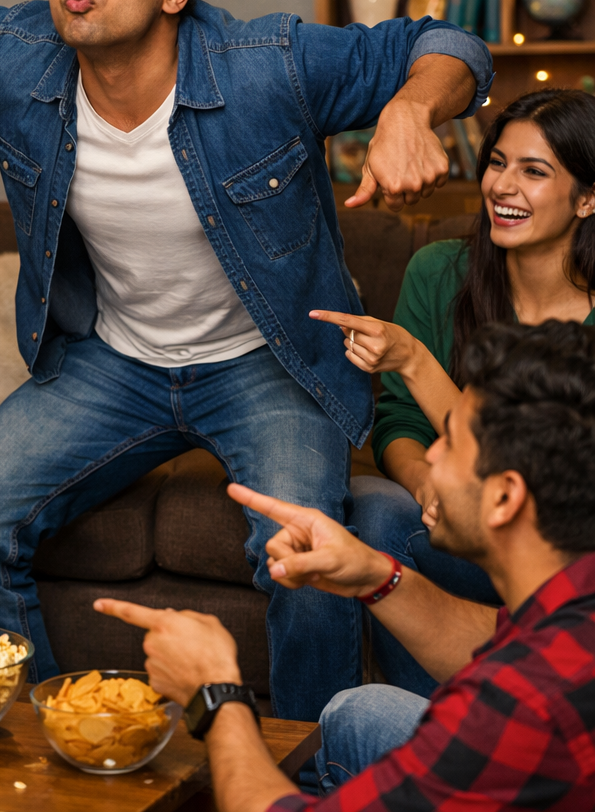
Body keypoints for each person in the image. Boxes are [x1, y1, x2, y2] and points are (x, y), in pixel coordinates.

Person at [0, 0, 493, 720]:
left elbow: (453, 48)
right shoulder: (21, 57)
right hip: (115, 361)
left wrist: (410, 110)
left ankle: (309, 769)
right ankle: (33, 747)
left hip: (266, 363)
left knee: (305, 552)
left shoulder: (266, 66)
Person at [97, 320, 595, 810]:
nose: (432, 456)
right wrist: (379, 578)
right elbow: (496, 639)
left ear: (505, 496)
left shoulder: (516, 711)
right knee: (359, 712)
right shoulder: (572, 605)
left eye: (452, 442)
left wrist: (217, 697)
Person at [310, 89, 595, 696]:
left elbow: (537, 465)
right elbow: (398, 423)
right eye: (497, 162)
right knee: (375, 507)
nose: (502, 186)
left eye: (534, 171)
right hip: (461, 529)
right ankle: (429, 727)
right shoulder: (441, 272)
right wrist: (427, 486)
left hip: (566, 556)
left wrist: (413, 359)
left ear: (589, 198)